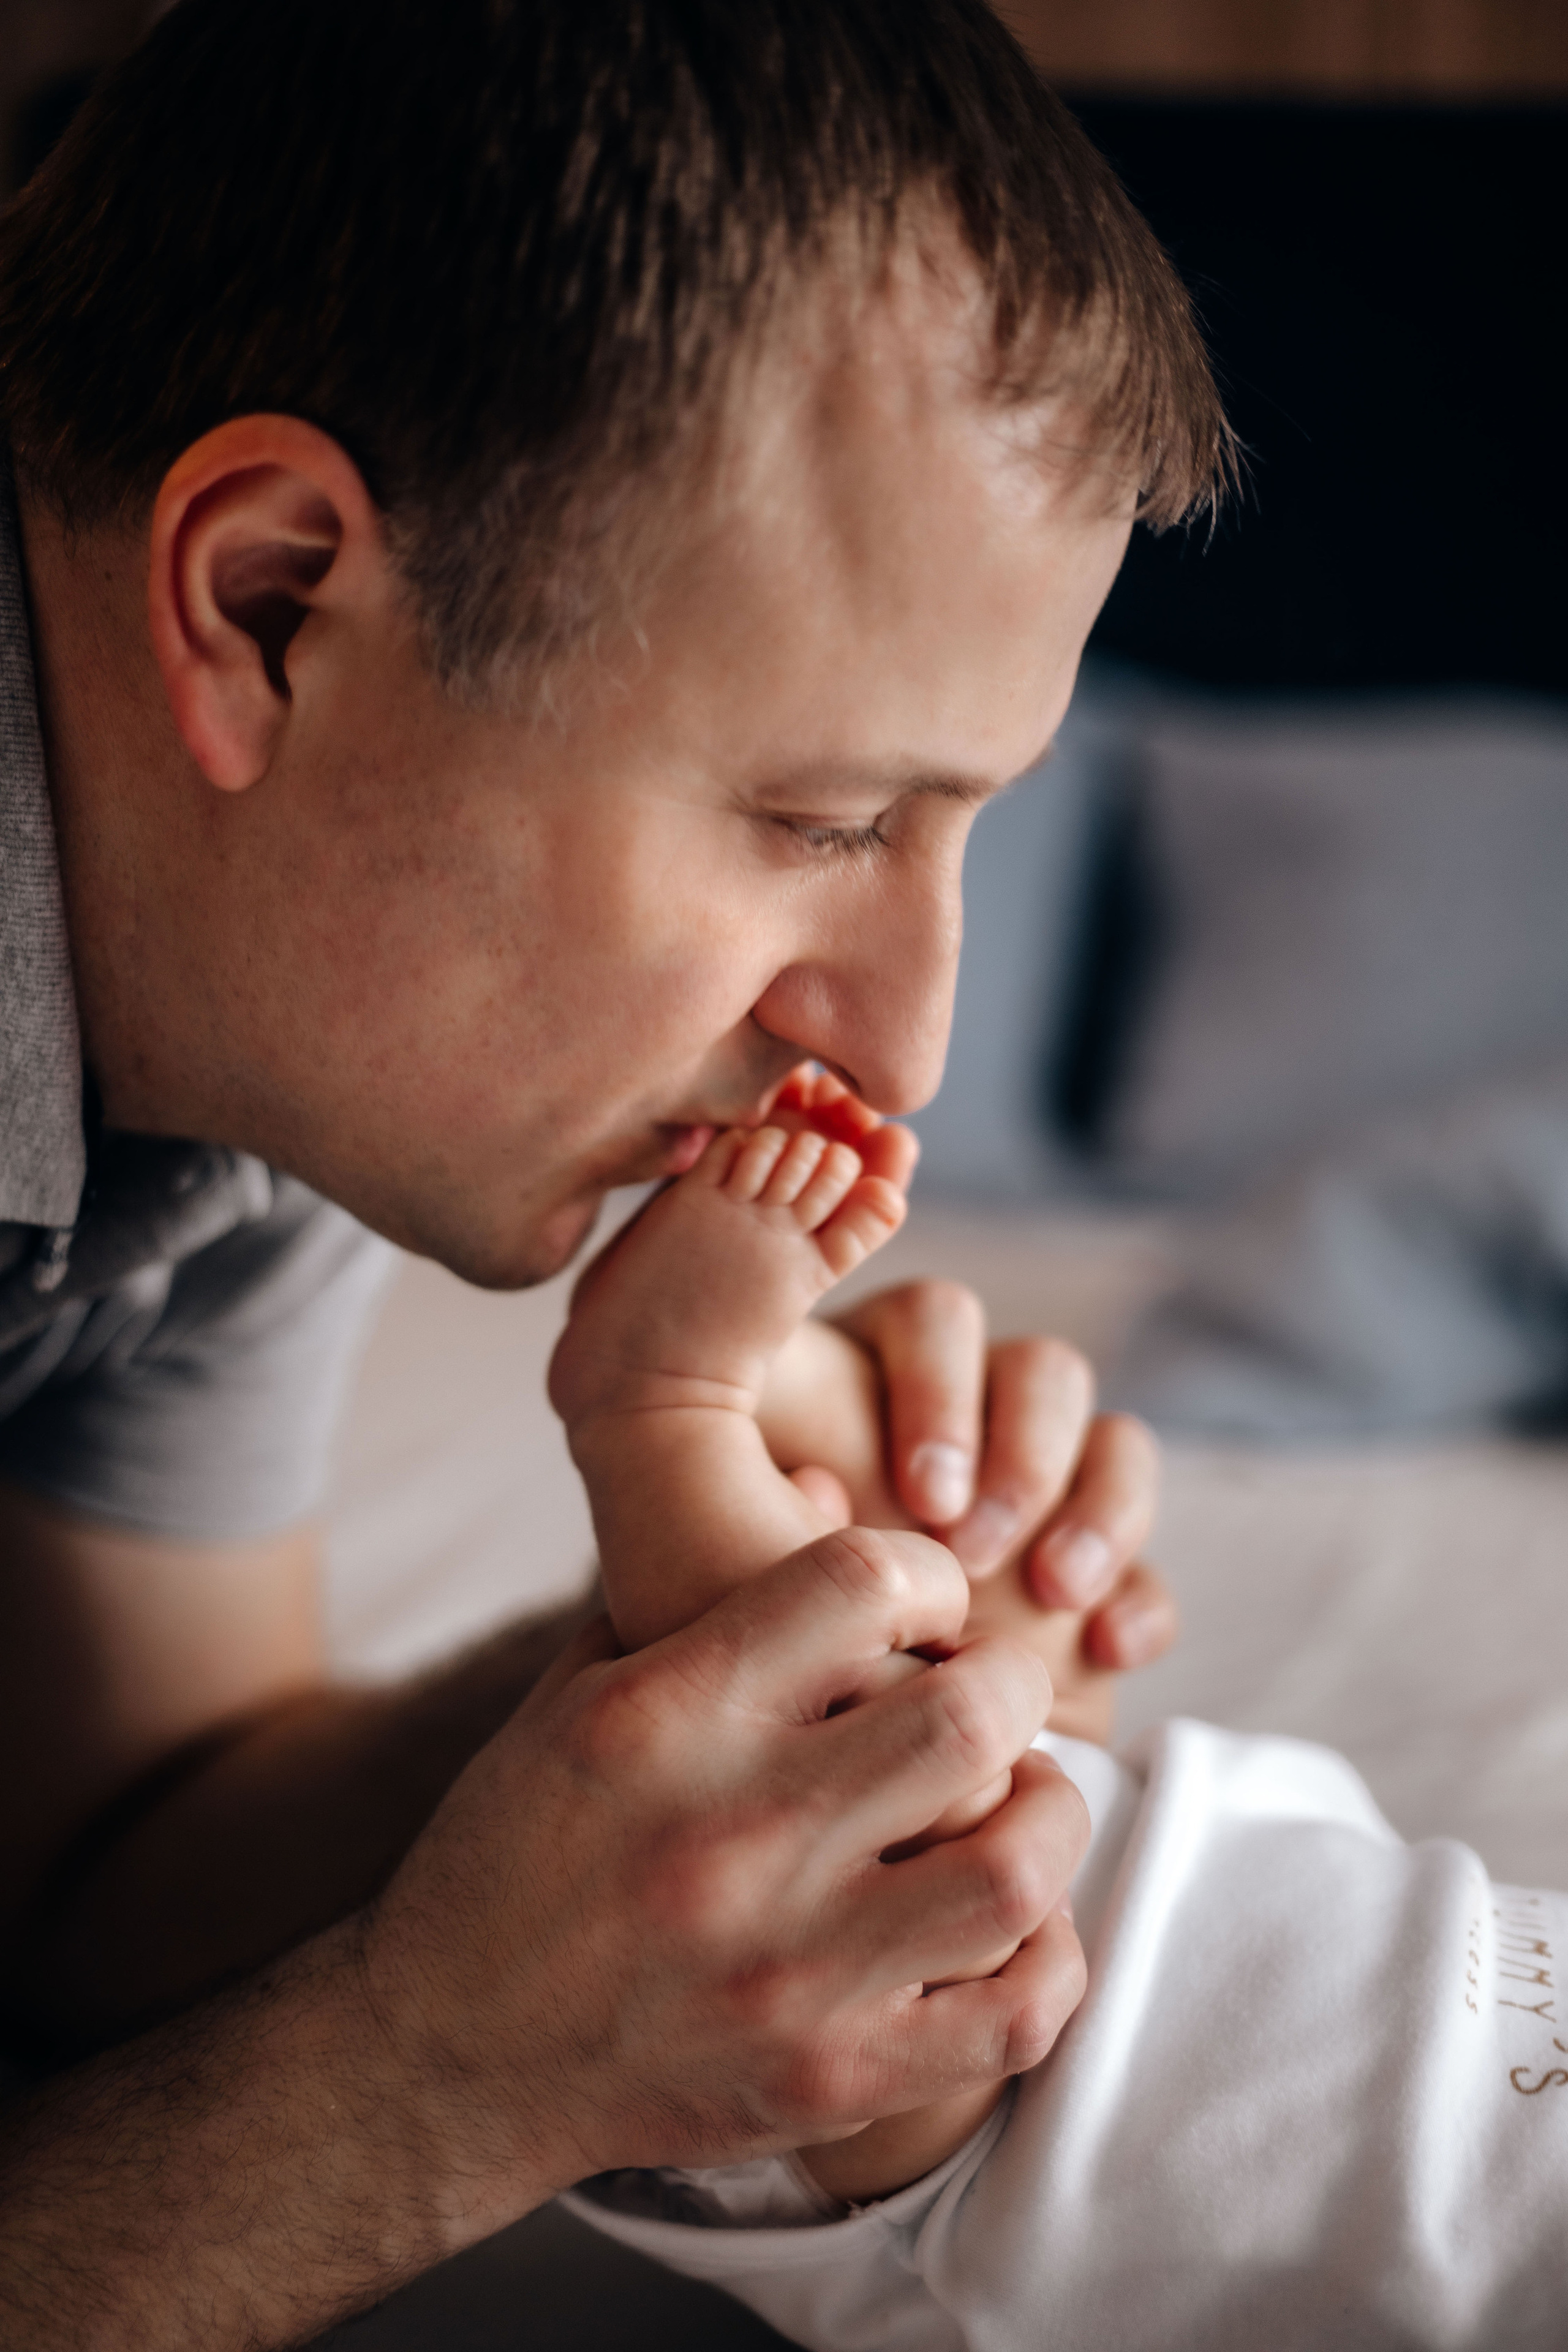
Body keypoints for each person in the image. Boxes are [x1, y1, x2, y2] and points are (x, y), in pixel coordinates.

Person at [0, 1, 1228, 2342]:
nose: (902, 1042)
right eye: (822, 821)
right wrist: (433, 2088)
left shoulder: (256, 982)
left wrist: (701, 1649)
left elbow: (94, 1879)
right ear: (272, 607)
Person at [549, 1106, 1568, 2350]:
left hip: (1017, 2110)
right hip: (1355, 1910)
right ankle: (1022, 1697)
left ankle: (666, 1407)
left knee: (838, 1802)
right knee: (997, 1774)